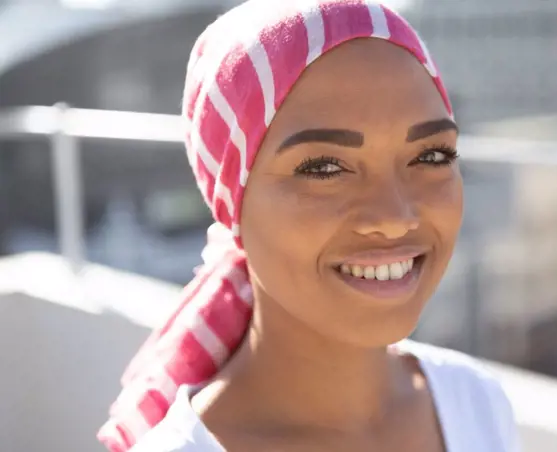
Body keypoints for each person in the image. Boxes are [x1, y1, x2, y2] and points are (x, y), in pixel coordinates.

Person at [98, 1, 520, 451]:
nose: (395, 218)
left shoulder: (476, 402)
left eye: (431, 156)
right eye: (323, 168)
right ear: (231, 201)